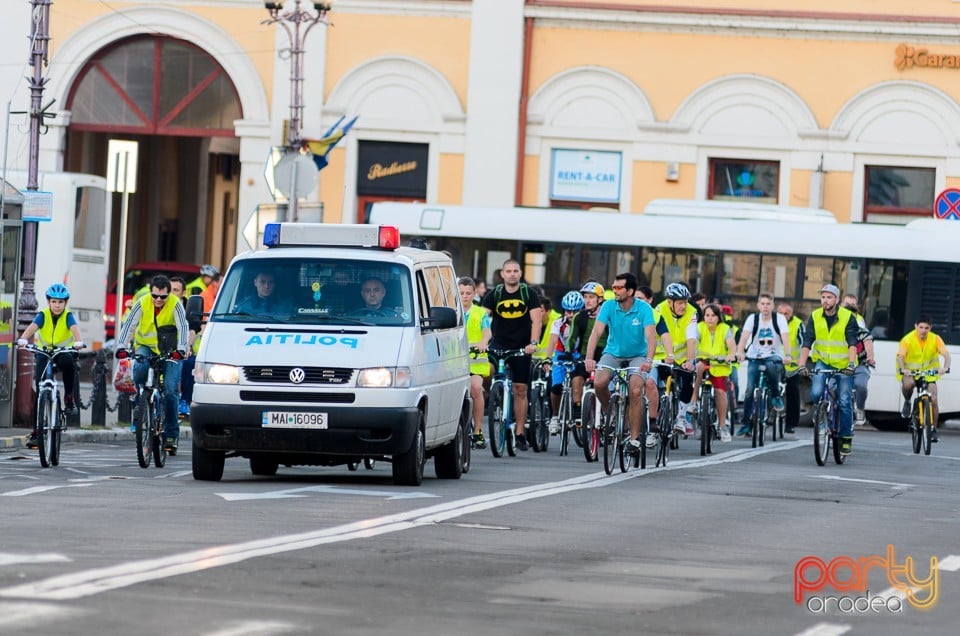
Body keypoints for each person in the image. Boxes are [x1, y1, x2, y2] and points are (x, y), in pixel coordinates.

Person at [115, 274, 190, 454]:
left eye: (163, 297)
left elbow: (183, 327)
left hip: (170, 351)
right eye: (155, 296)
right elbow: (129, 325)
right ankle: (140, 407)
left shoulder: (176, 304)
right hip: (146, 347)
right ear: (151, 292)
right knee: (139, 370)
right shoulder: (142, 302)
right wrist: (121, 346)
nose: (158, 300)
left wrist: (181, 348)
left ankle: (171, 434)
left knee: (171, 390)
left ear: (168, 295)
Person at [584, 272, 657, 451]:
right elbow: (596, 333)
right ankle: (614, 414)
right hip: (613, 353)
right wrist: (589, 358)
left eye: (618, 288)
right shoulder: (609, 306)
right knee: (599, 383)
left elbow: (651, 336)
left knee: (635, 390)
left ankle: (633, 440)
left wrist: (648, 360)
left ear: (630, 291)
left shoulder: (644, 309)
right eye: (613, 287)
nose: (614, 291)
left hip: (637, 356)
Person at [480, 259, 543, 452]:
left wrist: (532, 343)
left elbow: (537, 320)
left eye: (515, 271)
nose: (512, 274)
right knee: (486, 370)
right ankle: (492, 395)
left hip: (522, 345)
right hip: (499, 342)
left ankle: (520, 432)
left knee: (520, 389)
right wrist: (482, 341)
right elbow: (483, 318)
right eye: (508, 271)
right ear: (502, 274)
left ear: (520, 273)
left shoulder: (528, 293)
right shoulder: (495, 294)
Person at [17, 283, 85, 448]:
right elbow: (32, 327)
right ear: (48, 302)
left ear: (65, 303)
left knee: (69, 363)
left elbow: (75, 329)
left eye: (60, 302)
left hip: (62, 352)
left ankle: (69, 396)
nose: (57, 305)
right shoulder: (43, 315)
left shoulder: (68, 316)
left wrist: (78, 342)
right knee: (40, 391)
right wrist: (23, 339)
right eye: (54, 302)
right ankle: (37, 431)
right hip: (44, 352)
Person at [796, 284, 859, 456]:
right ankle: (822, 420)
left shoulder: (848, 317)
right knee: (816, 394)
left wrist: (851, 365)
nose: (825, 300)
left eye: (829, 297)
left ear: (837, 300)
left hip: (844, 364)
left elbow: (853, 343)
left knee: (845, 400)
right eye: (823, 297)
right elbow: (807, 341)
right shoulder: (815, 316)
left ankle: (846, 437)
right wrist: (802, 364)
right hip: (823, 362)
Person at [736, 292, 791, 438]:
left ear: (773, 306)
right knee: (749, 390)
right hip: (755, 356)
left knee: (773, 367)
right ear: (758, 305)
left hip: (773, 355)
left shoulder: (779, 319)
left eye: (768, 304)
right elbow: (744, 337)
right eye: (763, 304)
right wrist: (740, 351)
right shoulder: (752, 319)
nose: (765, 307)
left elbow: (785, 338)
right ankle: (746, 424)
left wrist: (788, 355)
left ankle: (775, 396)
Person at [896, 315, 951, 442]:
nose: (923, 330)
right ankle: (908, 401)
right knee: (908, 385)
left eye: (926, 328)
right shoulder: (907, 339)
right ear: (916, 326)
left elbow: (946, 355)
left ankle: (933, 429)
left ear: (930, 328)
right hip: (910, 372)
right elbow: (900, 356)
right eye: (921, 327)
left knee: (934, 399)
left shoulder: (935, 339)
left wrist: (945, 367)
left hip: (928, 374)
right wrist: (904, 369)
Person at [654, 282, 698, 436]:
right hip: (662, 355)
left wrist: (691, 362)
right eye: (680, 303)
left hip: (683, 356)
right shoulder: (659, 309)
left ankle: (681, 417)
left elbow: (691, 340)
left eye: (685, 302)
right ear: (669, 302)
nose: (683, 306)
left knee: (688, 380)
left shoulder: (692, 312)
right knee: (655, 384)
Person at [691, 303, 736, 442]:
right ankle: (694, 401)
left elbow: (731, 345)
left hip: (719, 365)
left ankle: (722, 426)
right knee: (699, 367)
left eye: (713, 316)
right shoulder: (699, 327)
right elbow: (693, 342)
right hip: (703, 361)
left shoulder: (725, 328)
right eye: (707, 315)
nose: (710, 319)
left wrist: (731, 355)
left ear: (718, 317)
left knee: (720, 393)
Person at [545, 291, 587, 434]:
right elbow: (552, 340)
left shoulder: (585, 323)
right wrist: (548, 358)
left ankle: (577, 410)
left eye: (575, 311)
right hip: (561, 354)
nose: (571, 314)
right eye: (568, 310)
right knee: (556, 386)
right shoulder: (558, 323)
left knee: (577, 383)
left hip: (578, 354)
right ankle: (555, 417)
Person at [459, 276, 491, 449]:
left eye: (468, 293)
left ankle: (478, 431)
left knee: (476, 388)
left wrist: (483, 342)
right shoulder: (451, 309)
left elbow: (487, 330)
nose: (464, 296)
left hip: (475, 362)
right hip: (454, 364)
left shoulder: (480, 313)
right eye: (461, 293)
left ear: (474, 293)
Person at [841, 294, 875, 427]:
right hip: (839, 365)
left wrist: (870, 356)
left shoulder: (859, 323)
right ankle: (825, 416)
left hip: (858, 363)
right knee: (829, 389)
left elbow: (867, 340)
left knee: (861, 386)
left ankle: (859, 408)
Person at [170, 276, 199, 419]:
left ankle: (184, 401)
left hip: (182, 347)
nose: (172, 293)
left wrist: (187, 347)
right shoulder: (162, 303)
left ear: (182, 293)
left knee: (189, 363)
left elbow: (192, 329)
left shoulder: (189, 306)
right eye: (170, 290)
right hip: (162, 347)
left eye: (176, 290)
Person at [776, 302, 805, 436]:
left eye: (786, 314)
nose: (783, 316)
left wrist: (801, 361)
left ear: (791, 314)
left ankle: (791, 424)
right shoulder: (772, 322)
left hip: (792, 364)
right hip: (775, 362)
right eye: (780, 313)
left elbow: (804, 343)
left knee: (793, 391)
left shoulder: (798, 324)